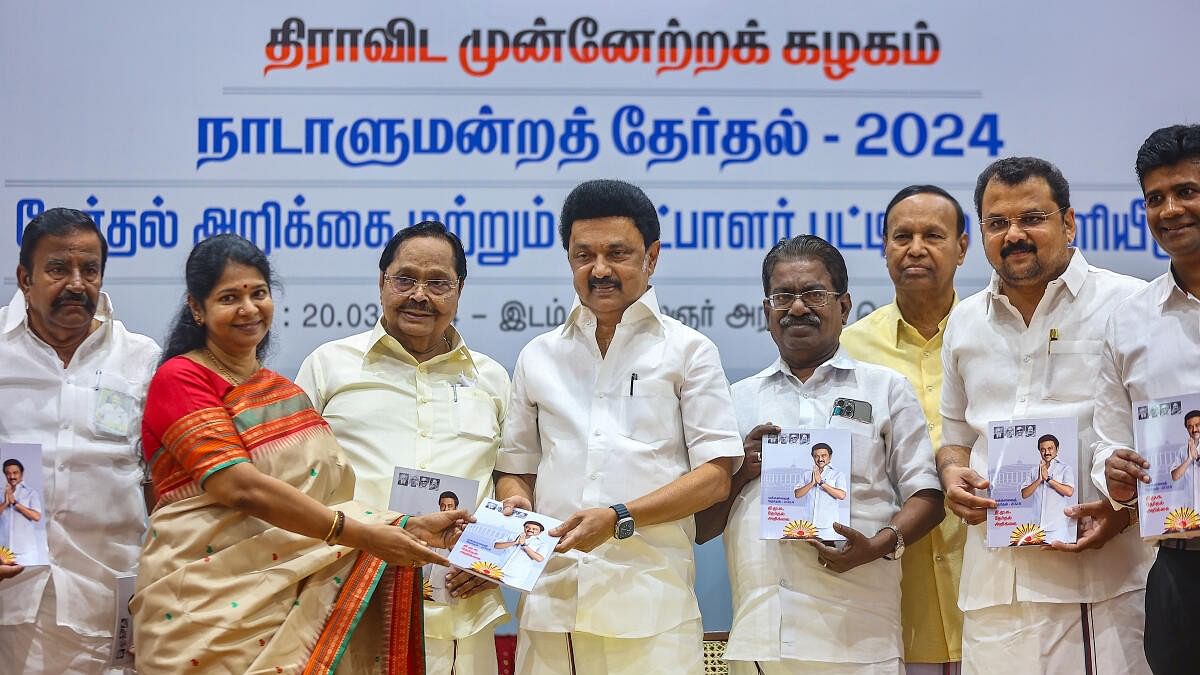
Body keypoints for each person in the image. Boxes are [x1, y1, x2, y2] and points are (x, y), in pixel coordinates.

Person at [131, 234, 471, 674]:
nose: (249, 309)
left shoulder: (285, 393)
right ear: (197, 308)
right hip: (199, 613)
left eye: (259, 293)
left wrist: (409, 526)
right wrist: (365, 536)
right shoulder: (181, 379)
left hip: (288, 611)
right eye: (229, 298)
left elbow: (323, 500)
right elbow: (240, 489)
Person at [495, 179, 743, 675]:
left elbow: (716, 477)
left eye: (617, 253)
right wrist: (516, 498)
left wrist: (618, 516)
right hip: (551, 608)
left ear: (652, 256)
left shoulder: (689, 350)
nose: (600, 269)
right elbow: (516, 469)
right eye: (583, 254)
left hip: (652, 611)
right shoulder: (538, 356)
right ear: (568, 258)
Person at [937, 157, 1154, 673]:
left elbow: (1161, 439)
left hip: (1103, 584)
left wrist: (1125, 513)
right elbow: (954, 438)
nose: (1014, 235)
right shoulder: (965, 321)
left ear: (1068, 222)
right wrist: (951, 473)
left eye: (1032, 218)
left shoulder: (1130, 305)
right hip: (995, 587)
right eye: (997, 223)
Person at [696, 234, 944, 674]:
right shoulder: (734, 400)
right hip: (760, 640)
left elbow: (927, 496)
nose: (796, 307)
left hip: (861, 633)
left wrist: (877, 547)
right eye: (783, 296)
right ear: (766, 310)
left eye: (813, 294)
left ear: (844, 306)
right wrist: (741, 474)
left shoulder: (885, 389)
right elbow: (701, 528)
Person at [296, 221, 510, 675]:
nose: (420, 295)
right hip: (349, 606)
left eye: (438, 283)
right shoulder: (328, 367)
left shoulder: (492, 380)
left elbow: (516, 482)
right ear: (382, 282)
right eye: (406, 279)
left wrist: (492, 558)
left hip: (460, 614)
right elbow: (292, 484)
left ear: (459, 290)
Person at [0, 207, 161, 673]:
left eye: (89, 270)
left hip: (112, 603)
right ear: (24, 278)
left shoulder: (139, 357)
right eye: (57, 268)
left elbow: (158, 483)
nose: (76, 283)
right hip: (14, 602)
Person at [840, 184, 969, 673]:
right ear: (884, 247)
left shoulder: (989, 332)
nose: (915, 248)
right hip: (890, 591)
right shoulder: (847, 349)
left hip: (990, 587)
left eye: (933, 235)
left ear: (961, 247)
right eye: (902, 236)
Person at [1094, 124, 1200, 673]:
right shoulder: (1130, 320)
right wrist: (1111, 470)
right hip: (1179, 568)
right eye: (1155, 198)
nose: (1171, 210)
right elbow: (1108, 442)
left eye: (1186, 191)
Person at [1019, 434, 1074, 542]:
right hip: (1035, 527)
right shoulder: (1034, 471)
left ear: (1057, 449)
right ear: (1039, 451)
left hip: (1057, 527)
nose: (1046, 452)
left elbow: (1069, 491)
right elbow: (1024, 494)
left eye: (1050, 448)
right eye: (1042, 449)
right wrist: (1039, 479)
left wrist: (1048, 479)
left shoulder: (1065, 468)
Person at [791, 442, 848, 539]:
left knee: (828, 550)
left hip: (828, 526)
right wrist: (812, 483)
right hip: (807, 525)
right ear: (813, 457)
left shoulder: (838, 474)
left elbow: (842, 495)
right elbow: (797, 494)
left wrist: (821, 483)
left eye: (823, 455)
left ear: (830, 457)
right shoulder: (807, 474)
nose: (820, 459)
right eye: (816, 456)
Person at [0, 459, 46, 565]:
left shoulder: (31, 493)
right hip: (3, 552)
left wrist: (15, 504)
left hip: (26, 553)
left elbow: (37, 516)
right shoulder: (0, 493)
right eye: (8, 473)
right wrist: (6, 503)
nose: (12, 477)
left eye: (15, 473)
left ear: (22, 473)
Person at [494, 521, 549, 588]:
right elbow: (496, 546)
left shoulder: (542, 544)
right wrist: (514, 542)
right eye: (527, 527)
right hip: (497, 570)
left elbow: (539, 559)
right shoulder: (513, 535)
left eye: (534, 529)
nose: (530, 530)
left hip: (515, 577)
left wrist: (524, 545)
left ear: (540, 532)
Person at [1167, 411, 1200, 507]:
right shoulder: (1182, 450)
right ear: (1187, 429)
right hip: (1190, 508)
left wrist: (1197, 457)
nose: (1194, 430)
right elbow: (1175, 476)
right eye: (1190, 427)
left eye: (1198, 425)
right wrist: (1189, 459)